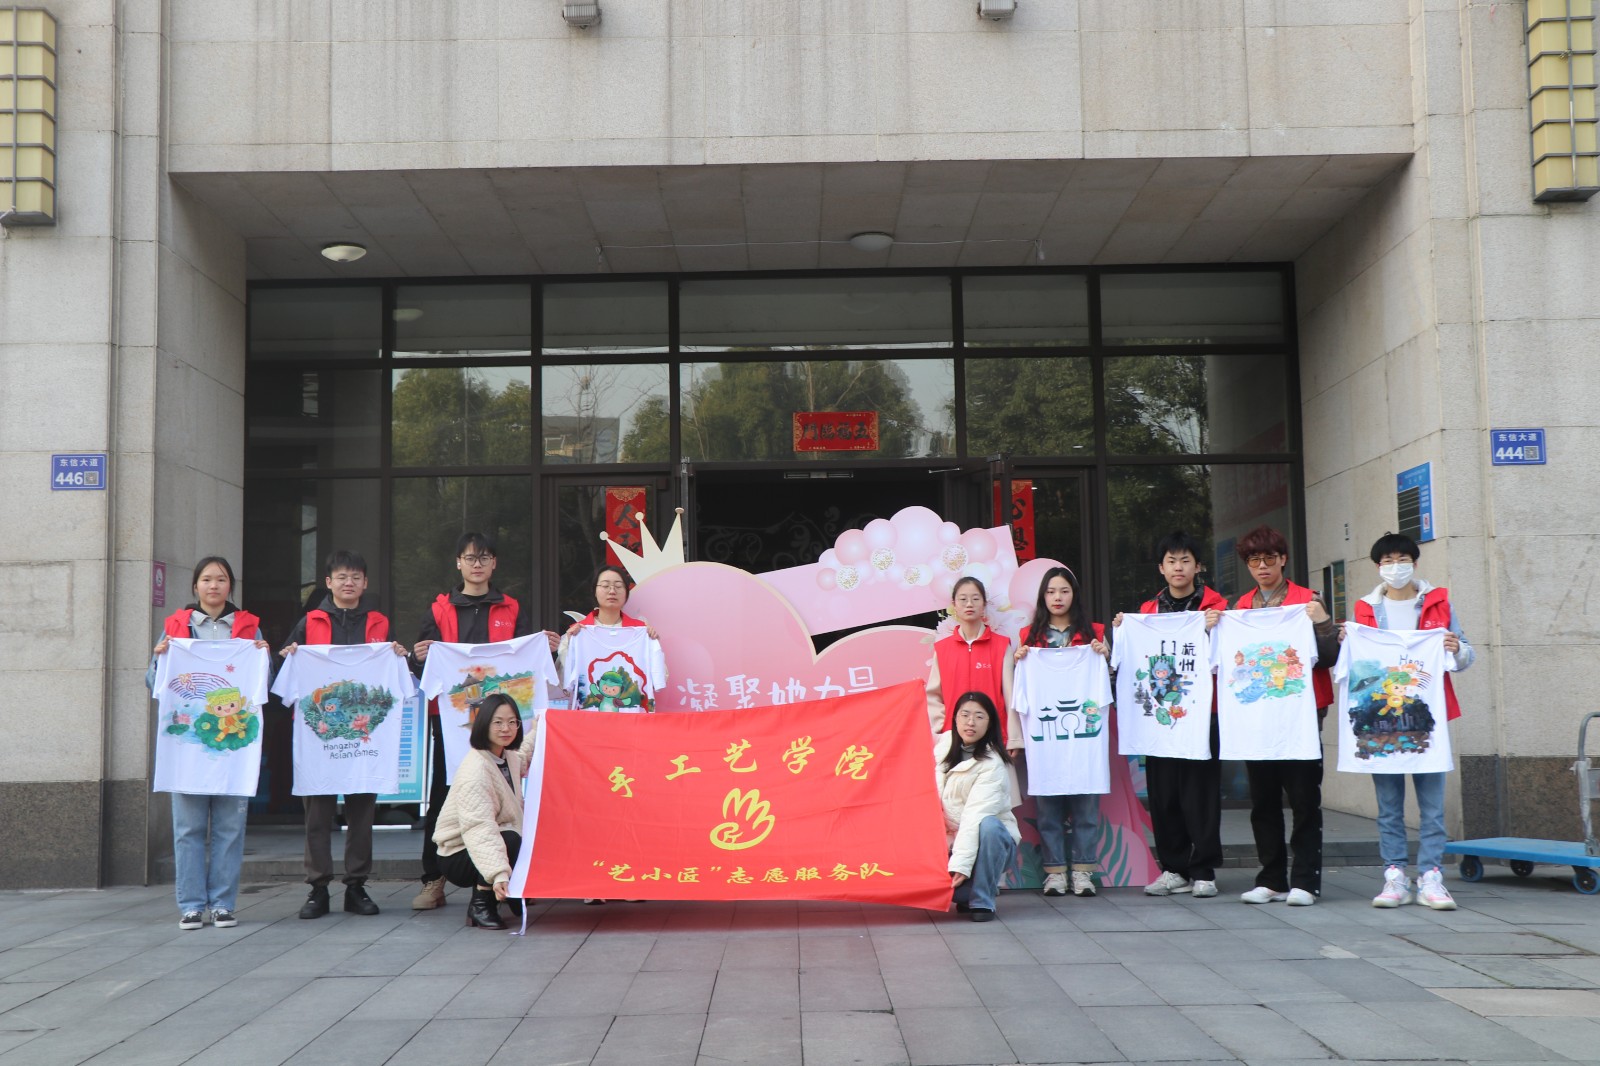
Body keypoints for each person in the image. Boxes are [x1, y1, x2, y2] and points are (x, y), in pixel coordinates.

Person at [409, 531, 554, 911]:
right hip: (453, 725)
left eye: (484, 558)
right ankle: (434, 880)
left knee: (511, 795)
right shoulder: (438, 611)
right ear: (458, 563)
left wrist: (548, 648)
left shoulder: (512, 609)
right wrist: (417, 657)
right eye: (470, 558)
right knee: (444, 797)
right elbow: (424, 672)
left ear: (494, 564)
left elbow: (527, 663)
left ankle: (514, 877)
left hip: (504, 726)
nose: (477, 564)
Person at [279, 549, 408, 920]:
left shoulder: (379, 623)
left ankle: (356, 886)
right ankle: (318, 888)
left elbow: (396, 678)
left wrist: (399, 655)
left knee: (361, 816)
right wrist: (287, 655)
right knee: (317, 817)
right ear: (328, 582)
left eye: (355, 577)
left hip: (365, 737)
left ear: (365, 583)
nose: (348, 583)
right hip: (319, 737)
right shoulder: (310, 622)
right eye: (341, 577)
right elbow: (283, 674)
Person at [1211, 526, 1337, 907]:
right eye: (1254, 560)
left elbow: (1329, 657)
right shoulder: (1238, 608)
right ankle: (1271, 878)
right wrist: (1212, 629)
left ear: (1283, 559)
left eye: (1269, 558)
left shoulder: (1307, 601)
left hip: (1300, 716)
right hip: (1256, 718)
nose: (1262, 566)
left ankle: (1306, 881)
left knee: (1303, 799)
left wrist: (1323, 622)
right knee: (1263, 801)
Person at [1354, 531, 1474, 911]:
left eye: (1401, 560)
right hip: (1382, 719)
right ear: (1378, 567)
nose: (1395, 567)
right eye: (1387, 561)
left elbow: (1466, 653)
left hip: (1427, 717)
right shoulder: (1366, 608)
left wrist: (1457, 648)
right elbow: (1359, 662)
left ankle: (1431, 876)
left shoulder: (1438, 602)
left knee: (1432, 805)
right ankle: (1394, 875)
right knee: (1389, 804)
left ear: (1414, 563)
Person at [149, 556, 270, 930]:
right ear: (195, 586)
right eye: (206, 579)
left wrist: (264, 658)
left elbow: (263, 685)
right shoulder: (175, 627)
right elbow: (153, 682)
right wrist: (158, 660)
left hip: (233, 748)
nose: (213, 585)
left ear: (230, 585)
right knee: (187, 830)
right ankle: (190, 905)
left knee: (229, 830)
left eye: (220, 579)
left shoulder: (250, 628)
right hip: (187, 750)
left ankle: (222, 903)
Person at [1114, 531, 1228, 898]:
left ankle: (1204, 869)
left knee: (1200, 794)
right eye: (1171, 561)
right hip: (1158, 718)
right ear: (1161, 568)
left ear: (1198, 566)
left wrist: (1214, 629)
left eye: (1185, 561)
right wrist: (1123, 630)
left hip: (1202, 716)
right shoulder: (1147, 612)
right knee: (1164, 795)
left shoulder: (1217, 608)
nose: (1178, 567)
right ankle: (1174, 867)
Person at [1015, 566, 1110, 897]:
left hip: (1084, 739)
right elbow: (1020, 691)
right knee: (1048, 811)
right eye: (1051, 591)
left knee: (1086, 810)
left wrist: (1105, 656)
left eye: (1064, 591)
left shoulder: (1094, 632)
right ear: (1043, 596)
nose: (1058, 597)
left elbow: (1110, 683)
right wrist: (1018, 660)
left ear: (1074, 595)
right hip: (1048, 738)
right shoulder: (1028, 637)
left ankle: (1083, 872)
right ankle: (1055, 873)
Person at [431, 693, 535, 930]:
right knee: (511, 838)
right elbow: (479, 828)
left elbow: (522, 757)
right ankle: (481, 904)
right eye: (498, 722)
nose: (505, 728)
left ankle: (513, 894)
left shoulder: (505, 755)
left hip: (486, 840)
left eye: (512, 722)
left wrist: (540, 729)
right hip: (458, 852)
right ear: (484, 724)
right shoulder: (475, 771)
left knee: (524, 833)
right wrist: (498, 874)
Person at [936, 692, 1022, 922]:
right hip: (953, 842)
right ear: (955, 718)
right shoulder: (942, 747)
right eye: (964, 715)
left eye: (979, 716)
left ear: (990, 723)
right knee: (952, 891)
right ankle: (966, 894)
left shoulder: (993, 764)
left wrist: (961, 866)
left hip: (990, 845)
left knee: (989, 825)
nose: (971, 722)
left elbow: (974, 817)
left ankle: (982, 901)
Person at [926, 576, 1021, 752]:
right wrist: (942, 731)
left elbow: (1011, 695)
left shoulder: (1001, 646)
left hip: (995, 738)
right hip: (953, 740)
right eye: (963, 599)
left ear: (984, 605)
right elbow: (933, 696)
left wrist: (1014, 738)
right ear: (954, 605)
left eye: (975, 599)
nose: (969, 604)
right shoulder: (942, 648)